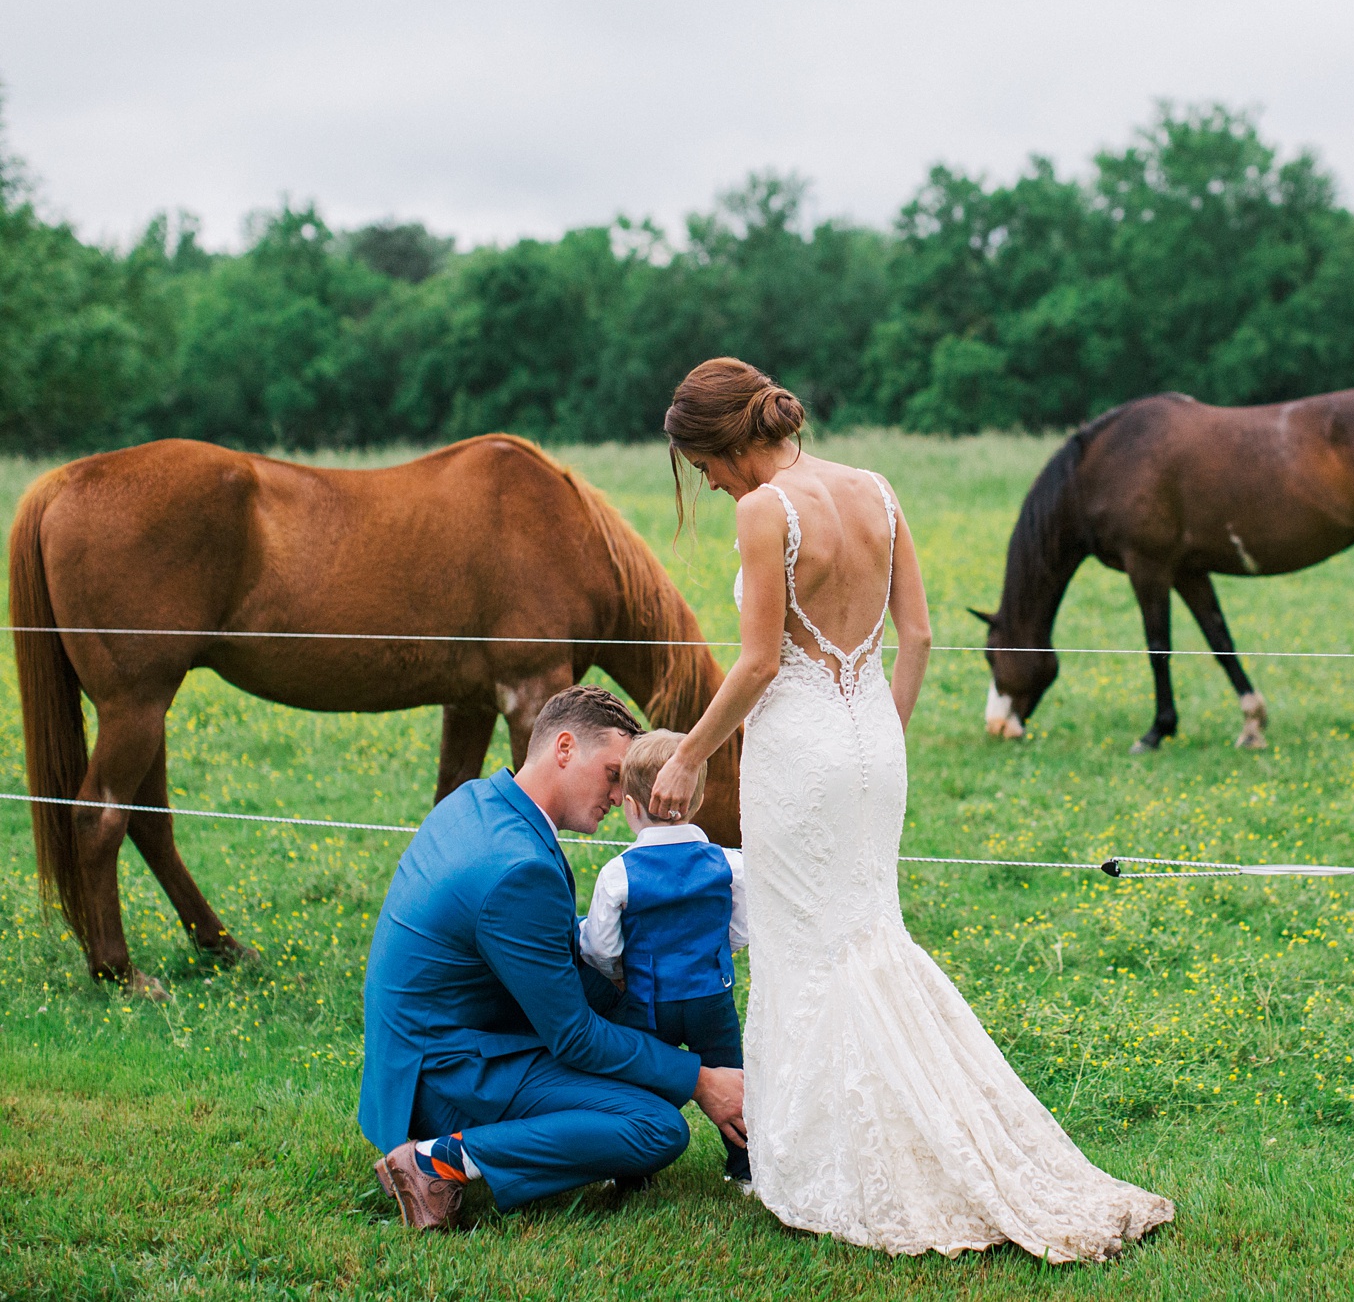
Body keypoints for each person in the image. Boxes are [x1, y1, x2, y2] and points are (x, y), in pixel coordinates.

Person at [647, 358, 1173, 1262]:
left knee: (809, 948)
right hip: (870, 744)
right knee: (868, 936)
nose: (712, 483)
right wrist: (875, 732)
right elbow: (918, 636)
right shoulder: (877, 492)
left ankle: (825, 1163)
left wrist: (688, 755)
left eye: (704, 466)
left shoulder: (765, 510)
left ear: (727, 440)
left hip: (799, 752)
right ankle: (880, 1141)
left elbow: (763, 662)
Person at [358, 685, 746, 1230]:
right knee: (656, 1127)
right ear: (564, 748)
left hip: (437, 1046)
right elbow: (574, 1037)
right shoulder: (519, 869)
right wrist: (701, 1080)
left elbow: (556, 959)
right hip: (448, 1074)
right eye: (614, 773)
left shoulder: (482, 801)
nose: (622, 796)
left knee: (640, 1025)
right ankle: (435, 1162)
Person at [579, 729, 752, 1188]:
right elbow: (742, 926)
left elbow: (598, 946)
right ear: (695, 802)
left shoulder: (618, 873)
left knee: (638, 1080)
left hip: (646, 1002)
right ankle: (746, 1169)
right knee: (733, 1077)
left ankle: (632, 1170)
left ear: (631, 807)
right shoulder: (729, 863)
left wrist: (619, 972)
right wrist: (717, 949)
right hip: (711, 999)